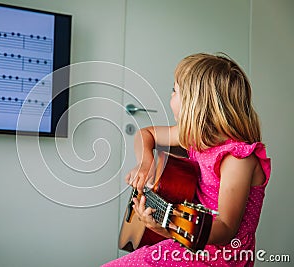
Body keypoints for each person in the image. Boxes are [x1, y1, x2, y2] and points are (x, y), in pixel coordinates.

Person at [102, 53, 271, 266]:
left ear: (196, 103)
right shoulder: (193, 136)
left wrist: (166, 226)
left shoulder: (237, 159)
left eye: (175, 91)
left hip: (217, 259)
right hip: (187, 244)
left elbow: (226, 229)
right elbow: (146, 135)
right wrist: (146, 163)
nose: (170, 97)